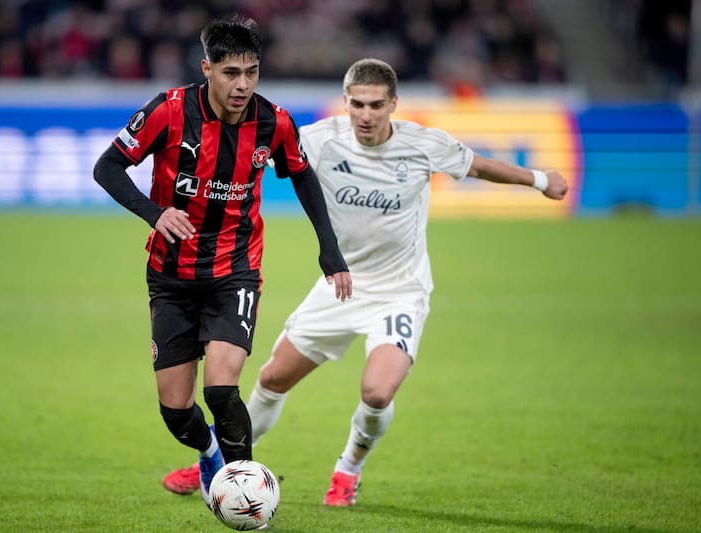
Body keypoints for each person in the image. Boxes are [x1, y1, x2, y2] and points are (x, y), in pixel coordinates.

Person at [162, 58, 569, 506]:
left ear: (393, 103)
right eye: (357, 104)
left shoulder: (422, 145)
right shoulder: (320, 140)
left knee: (376, 390)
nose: (366, 115)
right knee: (273, 378)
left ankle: (347, 470)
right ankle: (221, 462)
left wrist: (539, 179)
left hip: (399, 290)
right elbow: (253, 152)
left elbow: (480, 167)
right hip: (340, 285)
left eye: (376, 105)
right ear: (346, 102)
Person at [93, 15, 352, 506]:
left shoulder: (272, 120)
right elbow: (107, 166)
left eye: (252, 72)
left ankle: (246, 493)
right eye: (231, 72)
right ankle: (208, 450)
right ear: (206, 67)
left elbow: (301, 175)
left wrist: (329, 248)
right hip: (170, 275)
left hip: (235, 271)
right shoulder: (168, 111)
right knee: (176, 412)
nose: (243, 84)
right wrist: (155, 213)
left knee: (221, 391)